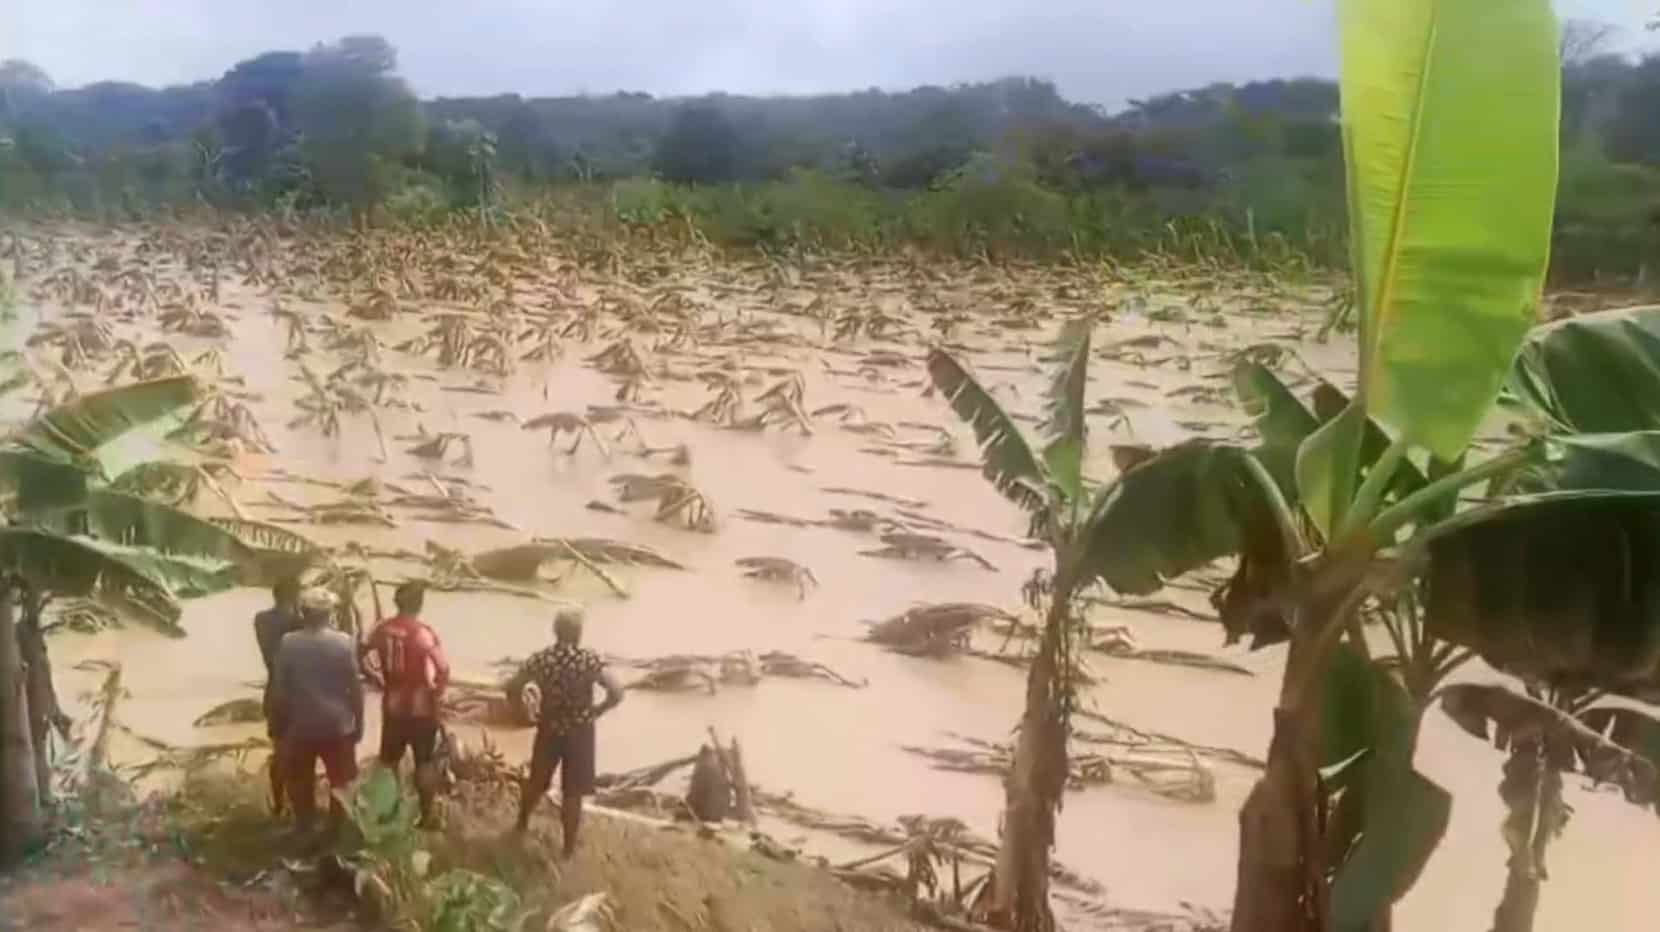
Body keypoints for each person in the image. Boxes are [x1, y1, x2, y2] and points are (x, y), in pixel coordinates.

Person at [508, 607, 623, 856]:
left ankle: (522, 823)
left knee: (537, 781)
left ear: (555, 631)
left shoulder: (542, 658)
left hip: (549, 728)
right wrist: (598, 710)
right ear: (579, 633)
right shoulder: (588, 660)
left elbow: (513, 687)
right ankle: (568, 849)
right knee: (573, 792)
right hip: (580, 732)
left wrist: (525, 712)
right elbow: (616, 691)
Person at [269, 587, 364, 837]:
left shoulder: (289, 643)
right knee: (341, 780)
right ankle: (335, 829)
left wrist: (278, 723)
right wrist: (360, 721)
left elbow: (280, 688)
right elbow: (355, 688)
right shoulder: (344, 643)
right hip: (337, 724)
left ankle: (304, 826)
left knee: (300, 779)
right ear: (330, 613)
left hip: (301, 724)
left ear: (303, 612)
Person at [364, 581, 451, 826]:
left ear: (396, 602)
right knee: (424, 761)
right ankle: (427, 815)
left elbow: (362, 654)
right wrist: (437, 692)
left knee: (390, 761)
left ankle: (391, 810)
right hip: (421, 707)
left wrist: (377, 678)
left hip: (393, 704)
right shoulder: (423, 633)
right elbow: (443, 668)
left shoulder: (382, 629)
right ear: (420, 604)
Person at [255, 577, 303, 815]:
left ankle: (279, 804)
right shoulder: (298, 623)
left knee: (280, 750)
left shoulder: (261, 620)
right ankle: (299, 805)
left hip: (274, 689)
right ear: (295, 597)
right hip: (297, 693)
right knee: (301, 753)